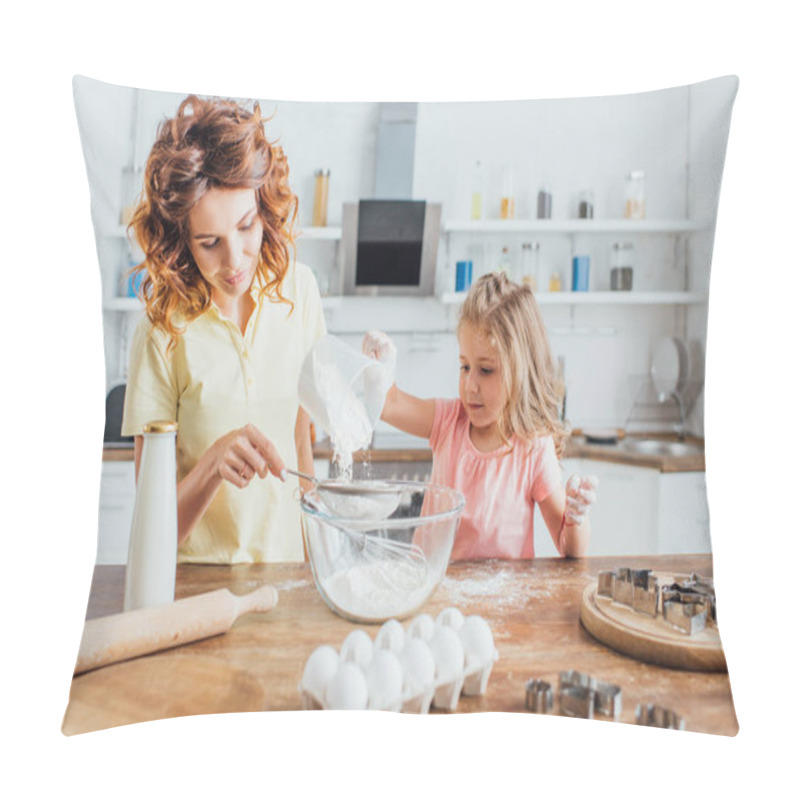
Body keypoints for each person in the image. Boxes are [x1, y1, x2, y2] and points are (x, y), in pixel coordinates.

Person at [121, 95, 326, 563]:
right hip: (200, 596)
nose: (234, 262)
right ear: (180, 241)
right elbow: (150, 536)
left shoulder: (301, 291)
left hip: (289, 584)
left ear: (264, 209)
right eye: (209, 243)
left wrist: (318, 561)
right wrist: (213, 463)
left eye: (246, 227)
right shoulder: (161, 332)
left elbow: (300, 443)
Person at [362, 272, 598, 560]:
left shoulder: (533, 446)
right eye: (464, 367)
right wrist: (380, 369)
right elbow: (390, 405)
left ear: (520, 373)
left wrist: (576, 517)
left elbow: (570, 546)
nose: (470, 385)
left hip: (504, 601)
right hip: (436, 594)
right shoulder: (447, 421)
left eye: (486, 370)